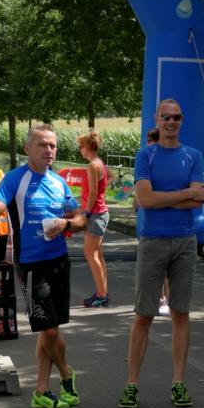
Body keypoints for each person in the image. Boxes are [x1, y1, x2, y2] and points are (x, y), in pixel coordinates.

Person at [0, 124, 86, 408]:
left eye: (53, 145)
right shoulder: (15, 179)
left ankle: (40, 391)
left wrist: (66, 223)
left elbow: (81, 219)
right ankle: (67, 374)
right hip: (31, 264)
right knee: (49, 330)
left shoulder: (59, 182)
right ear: (27, 149)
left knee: (48, 328)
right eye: (42, 145)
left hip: (59, 261)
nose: (49, 150)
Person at [118, 99, 204, 408]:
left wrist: (162, 198)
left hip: (185, 241)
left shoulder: (193, 156)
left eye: (176, 117)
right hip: (153, 240)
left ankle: (178, 382)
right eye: (166, 117)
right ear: (156, 119)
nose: (171, 122)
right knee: (144, 315)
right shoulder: (146, 155)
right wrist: (184, 193)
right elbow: (145, 199)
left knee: (181, 313)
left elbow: (197, 201)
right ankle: (132, 384)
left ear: (182, 120)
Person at [134, 127, 170, 315]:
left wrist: (146, 199)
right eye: (148, 141)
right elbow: (140, 188)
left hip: (167, 222)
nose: (149, 145)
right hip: (150, 223)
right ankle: (158, 299)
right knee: (151, 266)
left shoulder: (167, 164)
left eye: (152, 142)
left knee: (164, 266)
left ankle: (165, 299)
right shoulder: (145, 161)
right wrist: (137, 199)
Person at [77, 131, 110, 307]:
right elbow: (109, 177)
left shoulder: (92, 166)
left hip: (95, 214)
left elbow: (93, 194)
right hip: (100, 213)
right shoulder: (99, 163)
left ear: (88, 147)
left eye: (81, 146)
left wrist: (86, 213)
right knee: (97, 254)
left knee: (90, 254)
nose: (80, 149)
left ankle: (101, 295)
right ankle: (103, 292)